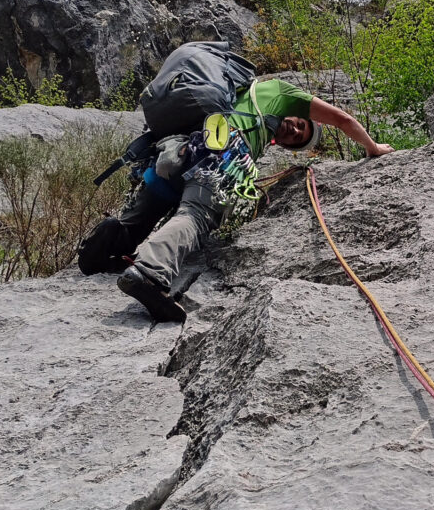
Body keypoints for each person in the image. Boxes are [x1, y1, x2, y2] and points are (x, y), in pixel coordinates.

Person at [78, 42, 394, 323]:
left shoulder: (235, 93)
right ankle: (148, 273)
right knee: (197, 215)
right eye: (301, 124)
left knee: (147, 213)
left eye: (299, 138)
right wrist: (373, 148)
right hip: (220, 151)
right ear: (298, 112)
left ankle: (111, 237)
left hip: (179, 148)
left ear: (283, 147)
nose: (296, 131)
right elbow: (343, 119)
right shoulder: (281, 92)